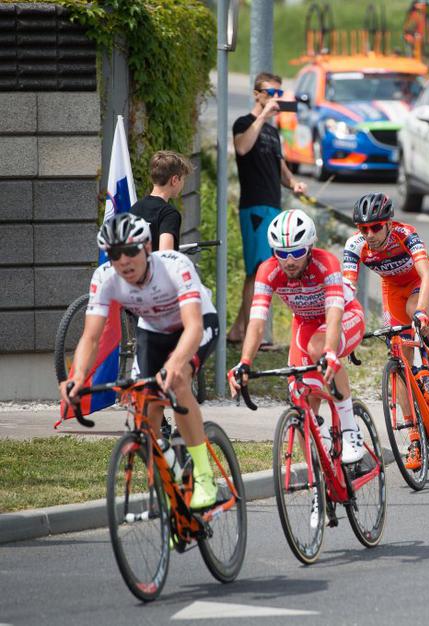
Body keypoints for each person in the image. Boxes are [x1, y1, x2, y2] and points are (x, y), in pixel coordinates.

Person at [60, 214, 221, 507]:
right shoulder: (105, 277)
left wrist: (174, 364)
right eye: (114, 254)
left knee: (178, 381)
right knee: (145, 410)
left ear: (147, 247)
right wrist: (78, 377)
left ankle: (204, 475)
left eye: (130, 250)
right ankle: (173, 493)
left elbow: (194, 327)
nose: (123, 261)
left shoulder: (174, 266)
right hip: (154, 330)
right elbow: (91, 337)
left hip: (195, 325)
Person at [228, 209, 367, 464]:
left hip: (345, 316)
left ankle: (350, 430)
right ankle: (321, 477)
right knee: (301, 398)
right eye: (282, 253)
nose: (289, 261)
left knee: (318, 348)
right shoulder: (268, 271)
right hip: (305, 324)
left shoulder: (326, 263)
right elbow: (256, 323)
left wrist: (330, 352)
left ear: (310, 247)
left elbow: (334, 314)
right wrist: (244, 362)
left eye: (297, 252)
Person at [343, 192, 429, 470]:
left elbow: (427, 275)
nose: (370, 234)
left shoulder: (405, 234)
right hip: (392, 289)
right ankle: (414, 439)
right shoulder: (355, 245)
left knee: (414, 310)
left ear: (388, 223)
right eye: (364, 229)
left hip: (420, 282)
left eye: (375, 227)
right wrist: (346, 332)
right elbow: (346, 292)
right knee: (399, 360)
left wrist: (423, 311)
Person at [227, 72, 308, 345]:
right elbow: (241, 148)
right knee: (259, 270)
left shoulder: (273, 133)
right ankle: (253, 334)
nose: (276, 98)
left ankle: (239, 330)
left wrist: (294, 183)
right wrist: (262, 117)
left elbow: (281, 169)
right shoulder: (244, 123)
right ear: (257, 94)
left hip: (273, 205)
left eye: (279, 93)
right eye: (270, 93)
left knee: (262, 269)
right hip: (254, 206)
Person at [130, 150, 192, 251]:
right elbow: (165, 254)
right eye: (183, 179)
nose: (183, 184)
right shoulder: (169, 214)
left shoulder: (134, 208)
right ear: (175, 180)